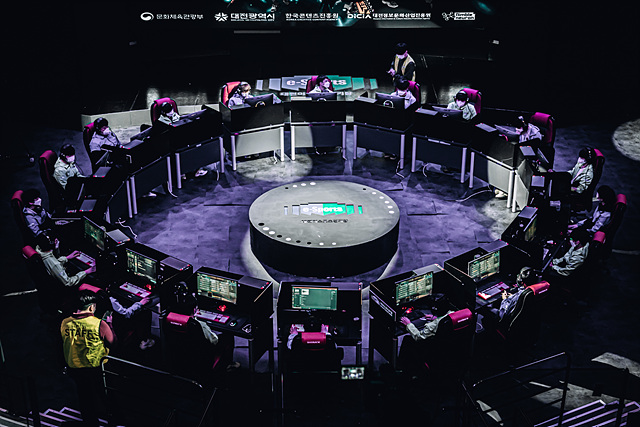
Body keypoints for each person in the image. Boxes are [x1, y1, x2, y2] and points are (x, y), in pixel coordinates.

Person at [61, 290, 116, 427]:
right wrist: (109, 324)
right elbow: (112, 342)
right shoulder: (99, 324)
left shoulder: (65, 322)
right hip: (96, 367)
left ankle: (91, 423)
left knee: (84, 398)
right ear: (91, 307)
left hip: (75, 368)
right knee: (105, 396)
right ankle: (114, 421)